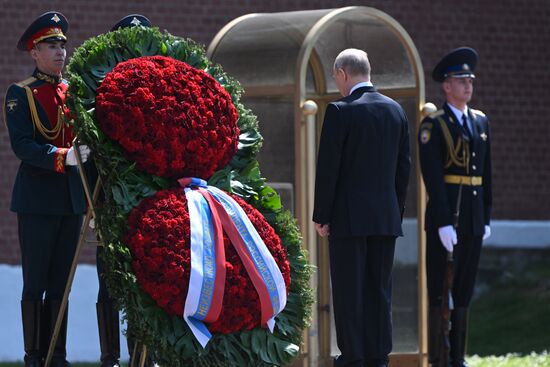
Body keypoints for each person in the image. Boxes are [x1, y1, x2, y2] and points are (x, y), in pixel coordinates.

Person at [313, 48, 411, 367]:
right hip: (385, 218)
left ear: (343, 73)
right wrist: (394, 212)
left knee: (348, 291)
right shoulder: (396, 111)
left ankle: (353, 357)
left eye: (335, 77)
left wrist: (322, 216)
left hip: (348, 219)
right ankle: (378, 356)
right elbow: (403, 170)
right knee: (379, 291)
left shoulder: (340, 111)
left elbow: (329, 169)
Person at [4, 11, 90, 367]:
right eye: (50, 45)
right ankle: (33, 356)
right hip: (38, 201)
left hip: (70, 200)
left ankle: (57, 355)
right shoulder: (20, 94)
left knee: (61, 285)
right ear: (34, 52)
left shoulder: (74, 93)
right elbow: (22, 145)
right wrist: (62, 157)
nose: (59, 52)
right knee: (35, 283)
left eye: (61, 45)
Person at [418, 47, 492, 367]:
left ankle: (458, 357)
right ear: (446, 86)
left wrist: (486, 216)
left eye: (470, 80)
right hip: (446, 218)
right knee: (439, 287)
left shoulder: (480, 121)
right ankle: (439, 357)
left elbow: (486, 173)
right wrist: (444, 221)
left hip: (473, 217)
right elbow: (433, 176)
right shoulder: (434, 125)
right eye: (461, 80)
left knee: (464, 287)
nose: (468, 85)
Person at [93, 14, 153, 367]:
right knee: (109, 283)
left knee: (143, 282)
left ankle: (142, 357)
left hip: (147, 203)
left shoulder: (157, 91)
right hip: (111, 202)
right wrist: (91, 204)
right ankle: (109, 357)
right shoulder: (102, 91)